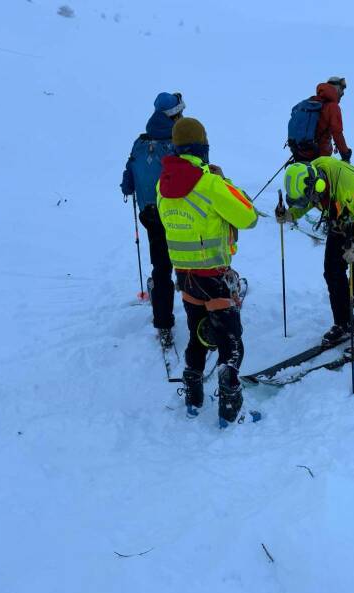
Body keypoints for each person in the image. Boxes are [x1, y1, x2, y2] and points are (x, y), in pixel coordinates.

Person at [156, 117, 258, 424]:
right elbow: (248, 216)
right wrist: (224, 183)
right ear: (203, 147)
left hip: (184, 275)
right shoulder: (211, 182)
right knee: (230, 339)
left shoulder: (163, 183)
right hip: (214, 275)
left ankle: (193, 398)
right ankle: (231, 410)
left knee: (198, 334)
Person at [277, 157, 354, 353]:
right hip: (341, 218)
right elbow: (311, 200)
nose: (311, 202)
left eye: (311, 198)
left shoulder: (350, 189)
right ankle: (343, 323)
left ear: (319, 186)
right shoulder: (314, 176)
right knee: (332, 271)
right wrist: (291, 213)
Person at [121, 92, 186, 345]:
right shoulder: (178, 143)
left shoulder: (139, 143)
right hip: (179, 214)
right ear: (175, 115)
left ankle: (163, 323)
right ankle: (198, 309)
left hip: (149, 214)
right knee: (187, 260)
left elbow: (128, 183)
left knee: (161, 267)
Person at [289, 76, 352, 163]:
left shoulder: (309, 102)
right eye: (342, 89)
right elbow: (337, 134)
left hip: (300, 153)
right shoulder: (332, 107)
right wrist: (346, 154)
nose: (342, 93)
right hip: (319, 157)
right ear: (336, 87)